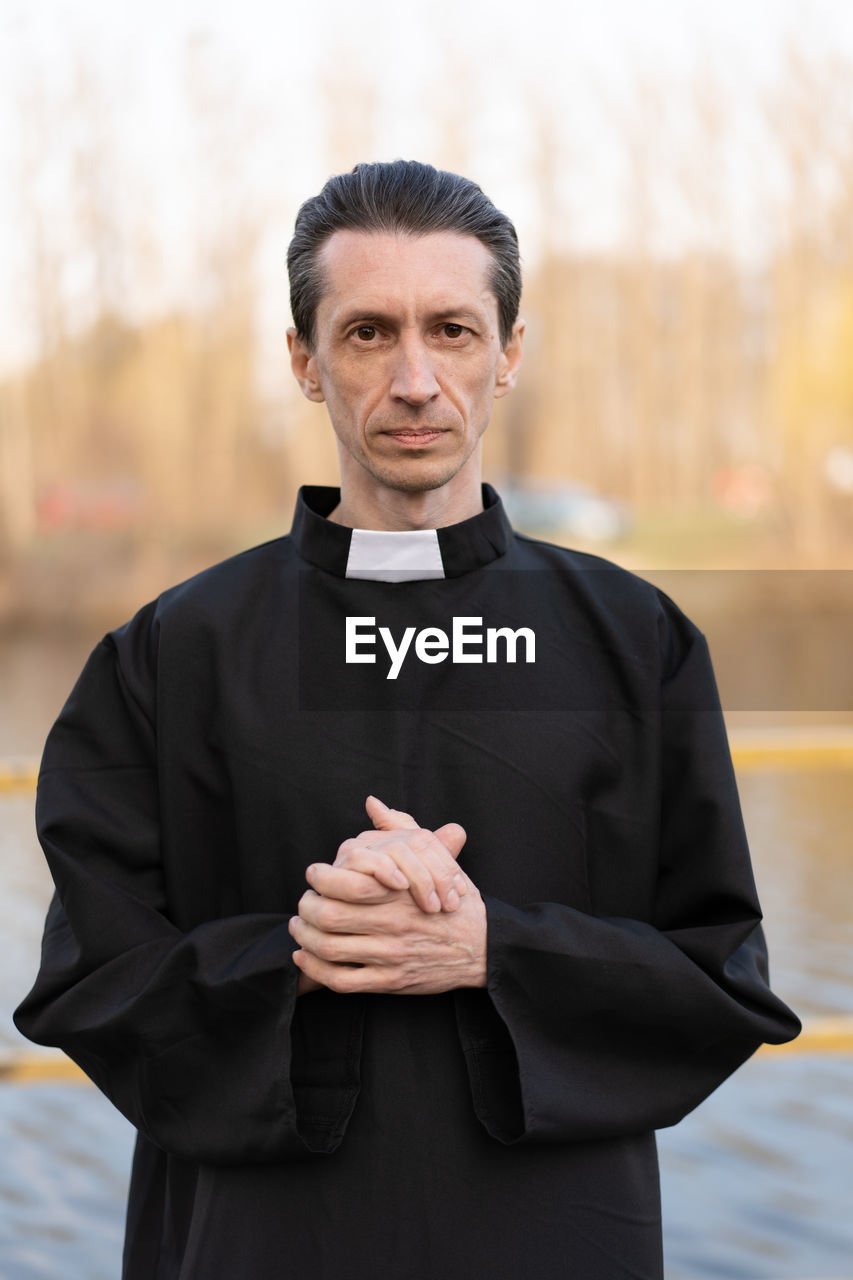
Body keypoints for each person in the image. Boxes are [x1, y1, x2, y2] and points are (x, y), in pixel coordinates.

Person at [16, 160, 799, 1280]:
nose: (417, 379)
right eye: (369, 333)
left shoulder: (636, 640)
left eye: (454, 329)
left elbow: (721, 981)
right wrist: (304, 951)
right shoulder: (171, 651)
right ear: (304, 360)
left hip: (555, 1238)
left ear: (510, 353)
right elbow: (89, 980)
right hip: (256, 1242)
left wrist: (494, 951)